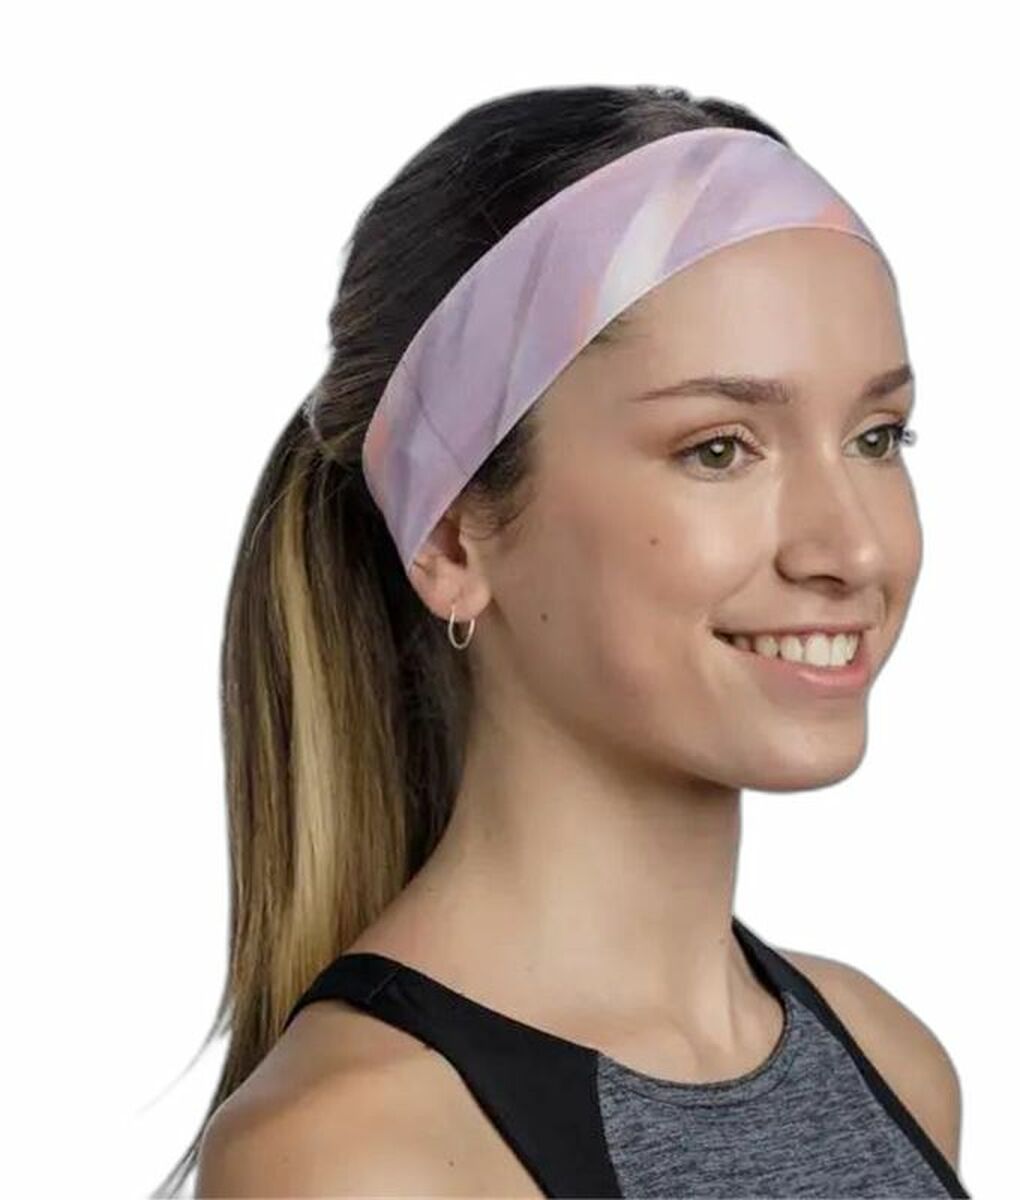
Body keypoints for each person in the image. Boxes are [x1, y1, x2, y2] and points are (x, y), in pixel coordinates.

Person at [157, 84, 969, 1198]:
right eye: (720, 449)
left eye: (877, 436)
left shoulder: (893, 1066)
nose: (855, 548)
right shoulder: (359, 1157)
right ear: (451, 536)